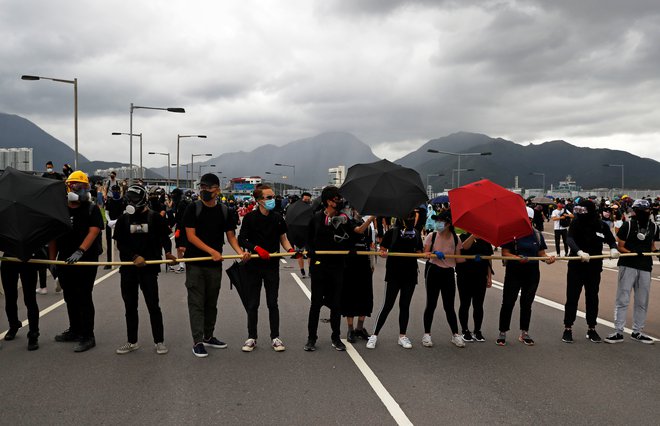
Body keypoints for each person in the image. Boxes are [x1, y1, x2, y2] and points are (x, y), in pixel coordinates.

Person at [183, 173, 250, 358]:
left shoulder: (224, 211)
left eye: (208, 188)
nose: (204, 191)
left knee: (211, 302)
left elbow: (231, 237)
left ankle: (208, 336)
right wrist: (211, 251)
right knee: (196, 302)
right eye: (202, 187)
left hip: (215, 265)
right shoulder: (192, 208)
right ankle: (197, 341)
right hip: (195, 263)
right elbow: (191, 237)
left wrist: (239, 252)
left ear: (217, 190)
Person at [113, 184, 177, 355]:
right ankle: (132, 341)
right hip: (128, 270)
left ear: (142, 200)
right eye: (129, 200)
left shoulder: (155, 218)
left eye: (133, 200)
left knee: (153, 306)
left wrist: (169, 253)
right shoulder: (123, 220)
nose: (130, 203)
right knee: (130, 306)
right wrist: (134, 257)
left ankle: (159, 341)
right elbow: (120, 244)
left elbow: (165, 238)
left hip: (149, 270)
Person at [237, 184, 297, 352]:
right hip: (254, 266)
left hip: (272, 266)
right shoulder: (250, 218)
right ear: (259, 200)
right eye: (269, 197)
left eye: (274, 197)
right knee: (253, 303)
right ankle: (251, 337)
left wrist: (291, 250)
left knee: (272, 303)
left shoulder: (278, 218)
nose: (273, 200)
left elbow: (283, 239)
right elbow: (242, 239)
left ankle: (275, 337)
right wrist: (256, 248)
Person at [49, 170, 103, 352]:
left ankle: (88, 335)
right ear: (68, 187)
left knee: (84, 296)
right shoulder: (59, 208)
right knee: (69, 296)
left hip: (86, 260)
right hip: (64, 260)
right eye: (77, 186)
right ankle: (74, 329)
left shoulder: (91, 209)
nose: (81, 190)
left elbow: (94, 231)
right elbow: (53, 237)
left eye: (84, 186)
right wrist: (52, 261)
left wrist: (81, 251)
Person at [304, 186, 354, 352]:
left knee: (336, 304)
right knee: (316, 303)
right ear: (327, 201)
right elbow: (308, 239)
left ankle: (336, 337)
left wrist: (349, 245)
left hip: (337, 266)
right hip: (319, 266)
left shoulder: (344, 219)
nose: (338, 201)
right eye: (335, 199)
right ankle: (311, 338)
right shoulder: (316, 218)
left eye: (339, 199)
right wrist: (310, 250)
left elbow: (351, 238)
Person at [562, 199, 619, 344]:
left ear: (591, 210)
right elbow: (569, 239)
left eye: (583, 211)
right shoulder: (576, 222)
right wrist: (579, 251)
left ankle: (591, 328)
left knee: (592, 297)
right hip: (576, 265)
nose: (580, 213)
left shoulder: (600, 225)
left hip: (594, 267)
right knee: (572, 297)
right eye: (578, 211)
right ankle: (568, 328)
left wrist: (613, 248)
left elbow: (611, 240)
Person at [497, 206, 555, 346]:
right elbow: (505, 253)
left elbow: (541, 254)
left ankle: (524, 333)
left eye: (527, 220)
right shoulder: (512, 234)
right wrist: (517, 258)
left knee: (526, 304)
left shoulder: (536, 234)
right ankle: (502, 332)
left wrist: (548, 259)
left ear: (530, 220)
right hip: (514, 273)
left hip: (532, 274)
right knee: (508, 302)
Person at [366, 210, 423, 350]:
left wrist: (425, 254)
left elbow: (418, 252)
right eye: (409, 217)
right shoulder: (392, 232)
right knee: (387, 305)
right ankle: (374, 335)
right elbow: (383, 249)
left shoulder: (416, 234)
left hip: (410, 275)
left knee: (405, 305)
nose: (411, 220)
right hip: (394, 274)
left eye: (412, 217)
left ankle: (402, 336)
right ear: (402, 219)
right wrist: (383, 253)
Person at [605, 199, 658, 344]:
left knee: (642, 301)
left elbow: (651, 244)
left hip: (645, 267)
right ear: (636, 211)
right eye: (643, 210)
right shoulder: (627, 225)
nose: (647, 213)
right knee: (623, 298)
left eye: (648, 210)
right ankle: (618, 331)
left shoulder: (653, 226)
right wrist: (632, 251)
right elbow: (620, 245)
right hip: (628, 265)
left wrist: (656, 251)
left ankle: (638, 331)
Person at [421, 210, 465, 348]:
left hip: (448, 273)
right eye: (437, 221)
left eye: (440, 221)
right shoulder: (431, 236)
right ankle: (427, 334)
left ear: (448, 223)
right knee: (431, 304)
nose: (437, 224)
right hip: (433, 271)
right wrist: (433, 253)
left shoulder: (455, 238)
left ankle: (455, 335)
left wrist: (476, 259)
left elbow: (458, 259)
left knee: (449, 306)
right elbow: (424, 254)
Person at [341, 209, 376, 343]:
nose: (360, 212)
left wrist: (372, 261)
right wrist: (370, 219)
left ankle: (360, 327)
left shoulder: (369, 225)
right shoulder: (347, 221)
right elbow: (359, 231)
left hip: (364, 263)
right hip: (350, 263)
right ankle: (350, 328)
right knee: (350, 295)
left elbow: (371, 244)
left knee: (366, 295)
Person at [455, 231, 494, 343]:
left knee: (478, 304)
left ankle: (477, 330)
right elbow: (464, 248)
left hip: (480, 276)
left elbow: (488, 259)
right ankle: (465, 330)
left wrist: (489, 277)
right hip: (465, 275)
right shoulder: (463, 237)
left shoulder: (486, 240)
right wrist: (473, 236)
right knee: (465, 303)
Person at [1, 251, 41, 350]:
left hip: (28, 259)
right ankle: (13, 325)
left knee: (30, 299)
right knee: (10, 298)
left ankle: (33, 334)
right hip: (9, 259)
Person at [104, 184, 125, 269]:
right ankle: (109, 262)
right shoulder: (109, 201)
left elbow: (124, 212)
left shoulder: (123, 201)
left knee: (121, 244)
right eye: (114, 191)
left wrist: (117, 221)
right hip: (110, 224)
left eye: (117, 191)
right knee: (109, 244)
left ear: (119, 192)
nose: (115, 192)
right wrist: (109, 221)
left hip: (120, 224)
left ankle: (123, 262)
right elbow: (106, 212)